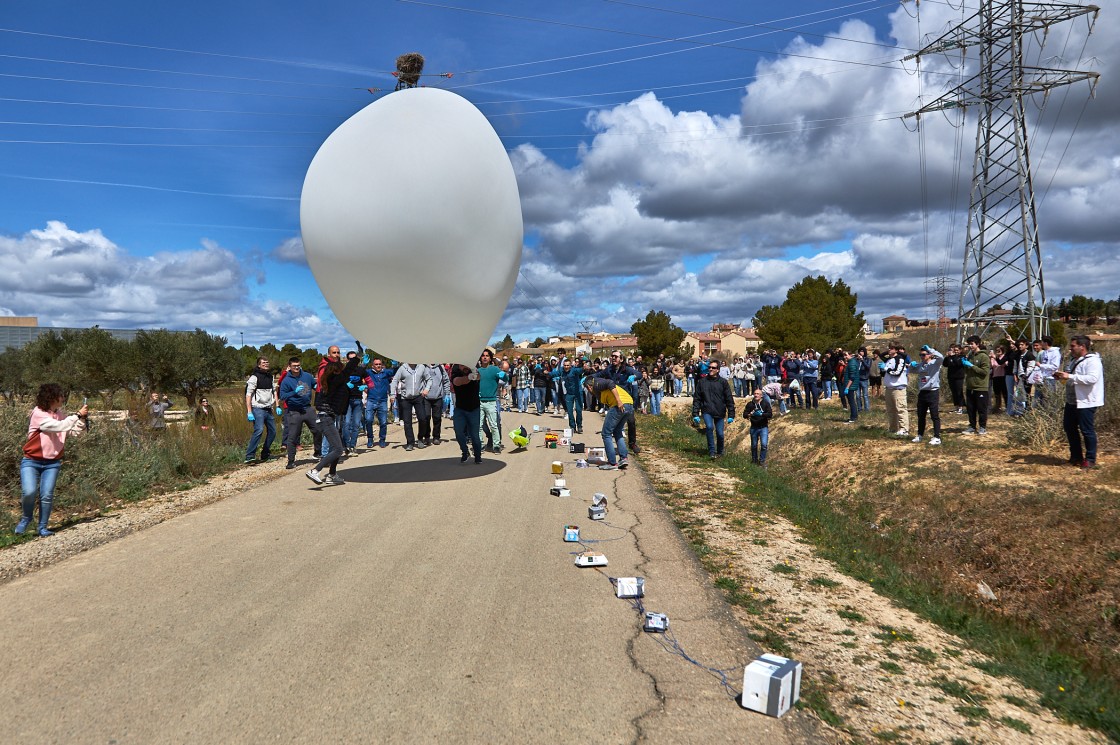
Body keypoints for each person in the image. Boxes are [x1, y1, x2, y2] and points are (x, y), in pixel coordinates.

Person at [16, 383, 88, 536]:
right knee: (29, 491)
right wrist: (77, 415)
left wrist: (81, 421)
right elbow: (59, 426)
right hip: (31, 460)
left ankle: (42, 527)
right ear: (51, 398)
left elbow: (72, 432)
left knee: (47, 494)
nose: (63, 399)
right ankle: (26, 518)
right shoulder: (38, 413)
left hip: (52, 463)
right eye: (60, 396)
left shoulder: (59, 414)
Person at [1054, 335, 1104, 469]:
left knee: (1087, 430)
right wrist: (1062, 377)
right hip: (1072, 401)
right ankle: (1076, 457)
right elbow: (1073, 377)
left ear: (1082, 347)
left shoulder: (1093, 361)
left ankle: (1090, 459)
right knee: (1069, 428)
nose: (1070, 349)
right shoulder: (1074, 360)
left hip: (1086, 402)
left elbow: (1092, 378)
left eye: (1073, 346)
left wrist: (1069, 376)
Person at [306, 358, 349, 486]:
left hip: (328, 417)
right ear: (337, 371)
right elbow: (347, 373)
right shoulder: (333, 382)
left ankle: (332, 474)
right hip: (326, 419)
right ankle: (315, 470)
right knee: (338, 449)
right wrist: (356, 359)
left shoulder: (328, 382)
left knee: (336, 446)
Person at [585, 376, 632, 470]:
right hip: (629, 405)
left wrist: (618, 401)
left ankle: (612, 463)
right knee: (617, 431)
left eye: (587, 389)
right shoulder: (600, 391)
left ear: (589, 386)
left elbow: (610, 383)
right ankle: (623, 458)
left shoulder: (597, 384)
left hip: (619, 405)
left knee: (606, 433)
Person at [278, 357, 318, 470]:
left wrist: (317, 387)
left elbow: (314, 385)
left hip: (308, 408)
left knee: (318, 430)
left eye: (298, 365)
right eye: (294, 366)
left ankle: (318, 452)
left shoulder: (307, 376)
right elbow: (282, 396)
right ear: (289, 367)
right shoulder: (286, 380)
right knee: (292, 436)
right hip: (294, 411)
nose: (297, 367)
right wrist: (294, 392)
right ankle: (291, 461)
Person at [691, 359, 736, 458]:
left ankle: (720, 452)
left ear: (718, 370)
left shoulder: (723, 382)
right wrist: (695, 413)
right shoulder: (702, 382)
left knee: (720, 434)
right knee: (710, 428)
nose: (710, 369)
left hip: (720, 411)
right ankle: (711, 452)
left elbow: (729, 398)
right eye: (709, 367)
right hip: (707, 410)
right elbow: (697, 398)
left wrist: (731, 414)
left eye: (713, 368)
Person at [391, 362, 432, 451]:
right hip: (405, 398)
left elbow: (429, 379)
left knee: (423, 418)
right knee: (407, 421)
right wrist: (392, 394)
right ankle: (410, 442)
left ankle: (420, 438)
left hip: (418, 397)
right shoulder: (403, 368)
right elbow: (394, 380)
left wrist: (426, 389)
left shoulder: (421, 367)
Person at [245, 357, 279, 463]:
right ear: (259, 365)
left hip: (268, 409)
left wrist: (277, 406)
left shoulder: (270, 377)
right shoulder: (254, 378)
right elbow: (248, 395)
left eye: (267, 362)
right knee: (258, 430)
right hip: (257, 409)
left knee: (273, 432)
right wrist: (249, 411)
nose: (266, 364)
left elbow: (274, 392)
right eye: (263, 363)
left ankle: (265, 453)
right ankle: (250, 456)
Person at [450, 363, 484, 463]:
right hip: (460, 408)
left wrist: (474, 375)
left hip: (474, 408)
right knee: (459, 432)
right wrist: (469, 377)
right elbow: (457, 382)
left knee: (475, 436)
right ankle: (465, 452)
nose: (464, 367)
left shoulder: (474, 364)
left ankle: (478, 455)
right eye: (462, 366)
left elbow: (478, 376)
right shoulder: (455, 367)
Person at [910, 345, 944, 445]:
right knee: (921, 415)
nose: (922, 356)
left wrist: (931, 350)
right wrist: (912, 365)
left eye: (924, 355)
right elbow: (911, 370)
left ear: (929, 355)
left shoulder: (935, 363)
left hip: (933, 392)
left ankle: (937, 437)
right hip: (922, 392)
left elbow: (941, 357)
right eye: (920, 355)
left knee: (934, 415)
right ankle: (920, 435)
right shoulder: (921, 365)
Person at [476, 347, 508, 453]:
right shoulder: (477, 371)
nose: (485, 357)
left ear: (490, 358)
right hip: (479, 402)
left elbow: (505, 378)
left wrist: (504, 374)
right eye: (483, 356)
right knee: (479, 425)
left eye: (487, 356)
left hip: (491, 402)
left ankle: (496, 445)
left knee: (494, 424)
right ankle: (480, 445)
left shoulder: (494, 370)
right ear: (480, 358)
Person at [962, 335, 991, 435]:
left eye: (972, 344)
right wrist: (965, 365)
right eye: (969, 344)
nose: (970, 346)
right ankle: (972, 426)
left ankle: (982, 427)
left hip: (981, 387)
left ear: (977, 344)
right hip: (970, 386)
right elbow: (967, 371)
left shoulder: (983, 356)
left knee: (981, 408)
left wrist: (972, 366)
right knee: (971, 408)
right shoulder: (970, 356)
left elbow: (984, 372)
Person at [363, 357, 394, 448]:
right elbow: (360, 371)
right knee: (368, 420)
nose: (378, 366)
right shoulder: (369, 372)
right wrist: (364, 364)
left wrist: (395, 365)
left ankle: (382, 439)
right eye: (376, 364)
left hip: (383, 401)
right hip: (371, 400)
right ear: (373, 365)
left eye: (379, 364)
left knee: (383, 422)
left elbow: (395, 371)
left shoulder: (386, 372)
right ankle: (370, 439)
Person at [881, 346, 910, 436]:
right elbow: (881, 355)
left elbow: (897, 372)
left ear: (896, 350)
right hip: (889, 388)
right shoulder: (889, 360)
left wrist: (886, 369)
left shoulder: (900, 359)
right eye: (888, 348)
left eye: (891, 348)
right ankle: (893, 428)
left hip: (898, 388)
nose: (889, 350)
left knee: (900, 409)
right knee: (891, 410)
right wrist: (889, 352)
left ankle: (904, 429)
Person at [420, 363, 450, 446]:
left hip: (438, 397)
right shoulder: (423, 367)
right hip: (425, 397)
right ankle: (426, 437)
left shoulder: (440, 368)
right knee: (426, 417)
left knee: (437, 418)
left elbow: (446, 380)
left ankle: (436, 437)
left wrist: (447, 393)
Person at [745, 387, 773, 466]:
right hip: (754, 427)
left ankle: (762, 461)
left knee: (764, 445)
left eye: (758, 394)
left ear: (761, 395)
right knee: (754, 445)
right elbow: (744, 414)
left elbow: (770, 414)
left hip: (763, 427)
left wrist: (762, 414)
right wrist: (750, 414)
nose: (756, 395)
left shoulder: (765, 403)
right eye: (755, 394)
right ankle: (754, 460)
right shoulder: (750, 404)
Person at [840, 350, 861, 423]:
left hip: (850, 386)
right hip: (850, 385)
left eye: (846, 355)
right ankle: (853, 416)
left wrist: (847, 387)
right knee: (851, 401)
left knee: (851, 401)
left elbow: (852, 377)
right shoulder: (850, 362)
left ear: (850, 355)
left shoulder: (852, 363)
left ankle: (853, 417)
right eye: (844, 355)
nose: (844, 357)